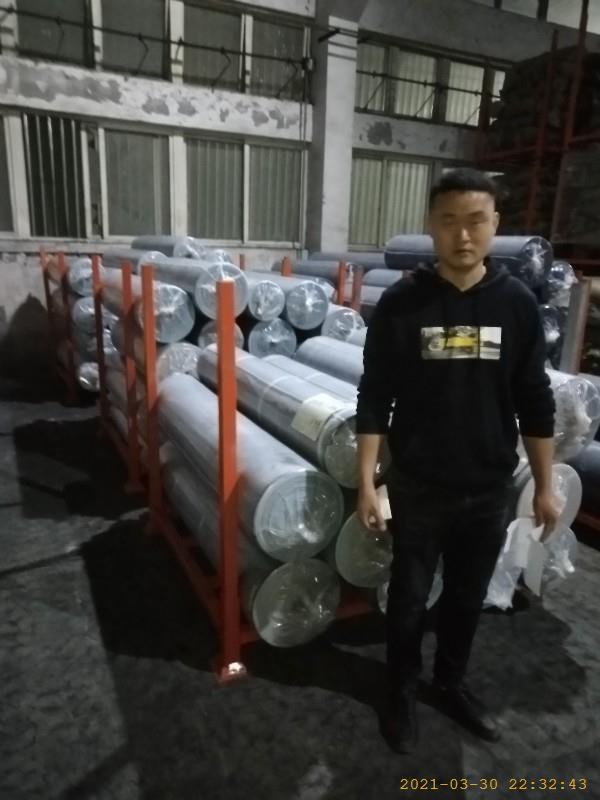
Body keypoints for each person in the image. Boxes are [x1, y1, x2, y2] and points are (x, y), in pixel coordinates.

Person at [356, 168, 558, 754]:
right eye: (449, 221)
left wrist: (545, 486)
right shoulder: (403, 302)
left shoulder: (516, 304)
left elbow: (535, 399)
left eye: (475, 221)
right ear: (431, 226)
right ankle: (400, 689)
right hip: (419, 485)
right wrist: (367, 482)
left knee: (467, 599)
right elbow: (374, 395)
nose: (463, 235)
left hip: (488, 488)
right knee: (409, 599)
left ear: (495, 225)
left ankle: (449, 683)